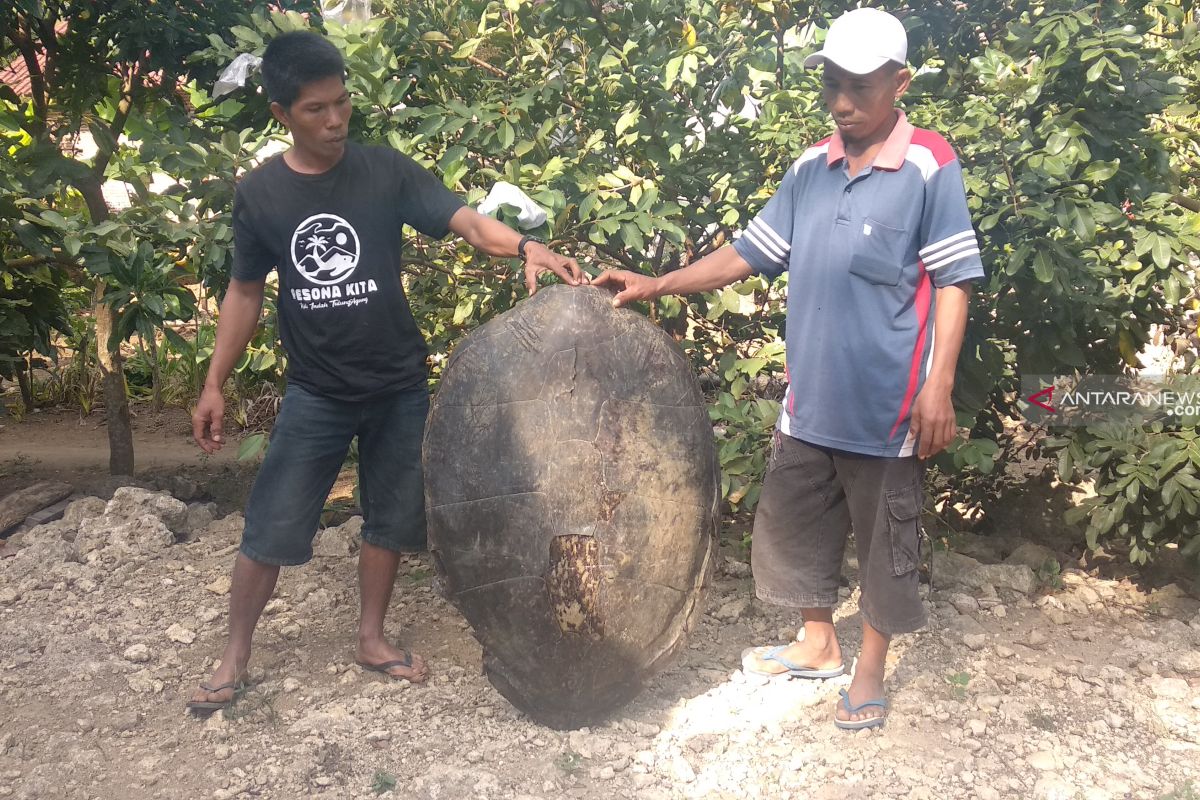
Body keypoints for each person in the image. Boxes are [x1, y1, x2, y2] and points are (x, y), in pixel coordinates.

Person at [593, 8, 984, 730]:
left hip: (887, 408)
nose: (842, 103)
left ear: (899, 84)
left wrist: (939, 384)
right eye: (833, 85)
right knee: (796, 527)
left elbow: (954, 277)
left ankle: (869, 670)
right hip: (810, 403)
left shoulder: (929, 162)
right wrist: (658, 284)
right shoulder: (812, 166)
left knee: (882, 543)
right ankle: (817, 640)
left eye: (860, 88)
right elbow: (750, 250)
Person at [186, 30, 583, 713]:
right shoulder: (260, 195)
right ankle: (235, 654)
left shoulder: (384, 172)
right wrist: (215, 381)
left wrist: (527, 245)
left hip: (399, 385)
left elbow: (466, 221)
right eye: (316, 110)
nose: (335, 120)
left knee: (391, 519)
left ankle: (371, 638)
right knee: (272, 524)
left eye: (341, 103)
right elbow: (245, 291)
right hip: (317, 392)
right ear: (281, 112)